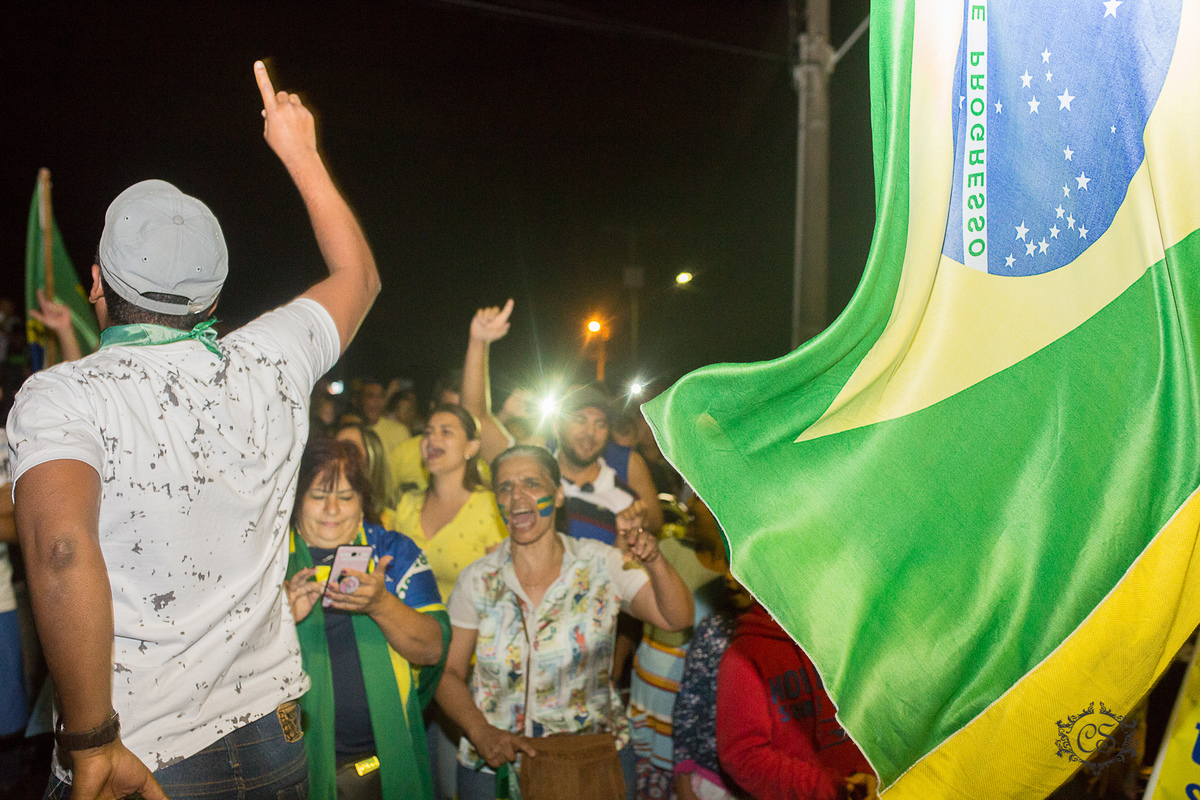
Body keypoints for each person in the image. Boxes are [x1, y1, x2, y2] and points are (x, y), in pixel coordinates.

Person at [8, 61, 380, 800]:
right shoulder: (270, 358)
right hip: (274, 739)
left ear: (95, 284)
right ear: (212, 301)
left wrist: (91, 740)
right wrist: (301, 152)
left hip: (137, 752)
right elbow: (359, 277)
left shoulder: (62, 396)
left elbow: (60, 549)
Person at [435, 445, 694, 800]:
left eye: (532, 483)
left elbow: (676, 617)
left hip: (589, 766)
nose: (517, 497)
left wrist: (654, 560)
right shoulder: (478, 579)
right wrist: (481, 732)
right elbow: (447, 673)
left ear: (558, 495)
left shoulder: (600, 564)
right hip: (495, 768)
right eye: (506, 487)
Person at [284, 438, 448, 799]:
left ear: (362, 503)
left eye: (345, 497)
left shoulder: (393, 553)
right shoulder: (270, 560)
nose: (331, 509)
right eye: (317, 495)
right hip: (291, 771)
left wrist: (380, 604)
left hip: (382, 767)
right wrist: (282, 620)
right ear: (295, 500)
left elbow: (433, 650)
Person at [386, 402, 507, 799]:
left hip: (465, 668)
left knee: (455, 780)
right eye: (428, 431)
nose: (432, 439)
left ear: (472, 447)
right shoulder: (406, 506)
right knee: (414, 779)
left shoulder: (489, 508)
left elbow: (500, 596)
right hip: (408, 660)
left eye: (446, 431)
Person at [716, 603, 877, 800]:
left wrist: (869, 770)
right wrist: (830, 788)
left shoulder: (847, 634)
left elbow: (876, 713)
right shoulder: (743, 655)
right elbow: (743, 756)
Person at [555, 384, 664, 545]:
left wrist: (635, 526)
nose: (590, 432)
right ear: (557, 424)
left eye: (600, 424)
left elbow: (653, 524)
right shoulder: (535, 475)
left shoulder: (624, 496)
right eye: (580, 420)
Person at [336, 421, 399, 521]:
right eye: (334, 448)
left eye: (348, 449)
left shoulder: (388, 522)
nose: (337, 455)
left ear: (372, 459)